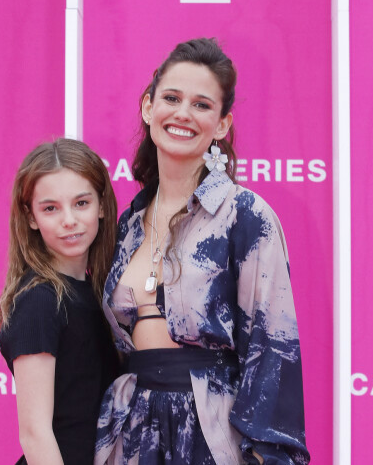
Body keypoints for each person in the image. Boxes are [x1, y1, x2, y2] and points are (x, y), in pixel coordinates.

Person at [95, 38, 310, 465]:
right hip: (130, 435)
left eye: (202, 105)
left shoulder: (244, 216)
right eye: (171, 98)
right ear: (147, 106)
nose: (182, 114)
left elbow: (272, 350)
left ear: (222, 124)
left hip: (213, 435)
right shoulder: (128, 224)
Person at [0, 138, 120, 465]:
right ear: (31, 217)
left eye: (81, 203)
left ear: (102, 205)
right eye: (51, 208)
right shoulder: (39, 301)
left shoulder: (98, 292)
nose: (68, 220)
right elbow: (35, 433)